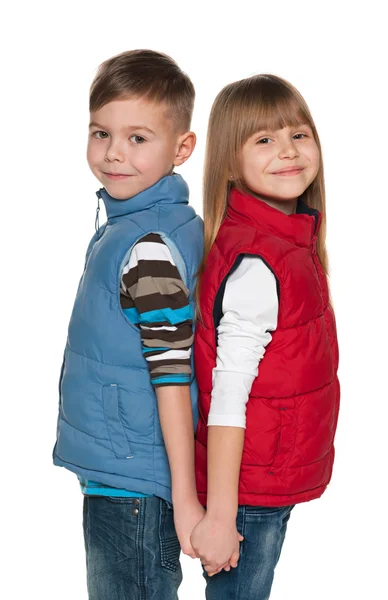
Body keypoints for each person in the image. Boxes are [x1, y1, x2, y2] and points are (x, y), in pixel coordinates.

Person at [52, 49, 204, 600]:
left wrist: (185, 498)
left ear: (182, 148)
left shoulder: (148, 246)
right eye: (101, 133)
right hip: (126, 474)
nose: (114, 153)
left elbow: (171, 375)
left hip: (135, 484)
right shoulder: (145, 223)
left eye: (138, 138)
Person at [191, 74, 340, 600]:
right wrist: (221, 516)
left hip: (262, 476)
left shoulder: (287, 242)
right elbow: (228, 396)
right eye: (263, 140)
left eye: (298, 134)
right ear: (230, 164)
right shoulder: (258, 261)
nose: (288, 152)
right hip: (249, 487)